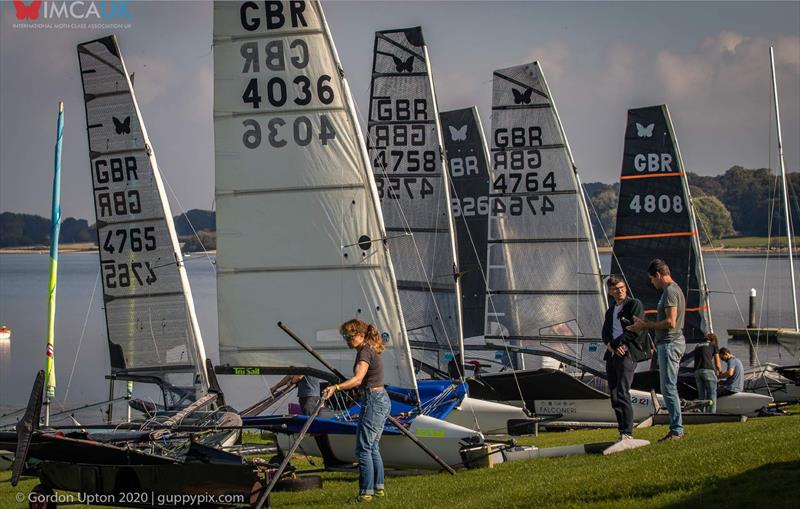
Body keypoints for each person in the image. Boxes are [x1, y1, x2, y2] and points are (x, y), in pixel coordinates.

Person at [322, 319, 391, 503]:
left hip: (373, 401)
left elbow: (358, 379)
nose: (347, 339)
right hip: (379, 399)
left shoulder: (365, 352)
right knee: (372, 447)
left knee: (363, 449)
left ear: (360, 334)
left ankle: (365, 493)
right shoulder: (368, 348)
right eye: (344, 336)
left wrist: (336, 388)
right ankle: (378, 489)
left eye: (349, 335)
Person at [627, 259, 686, 442]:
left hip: (670, 344)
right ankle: (677, 428)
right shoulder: (675, 289)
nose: (652, 283)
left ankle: (677, 430)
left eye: (652, 279)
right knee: (669, 387)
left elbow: (670, 322)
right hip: (669, 342)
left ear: (658, 275)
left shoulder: (669, 292)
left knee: (668, 388)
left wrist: (645, 325)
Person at [601, 275, 648, 441]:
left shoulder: (634, 304)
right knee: (614, 395)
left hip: (628, 353)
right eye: (615, 289)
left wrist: (618, 344)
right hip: (613, 354)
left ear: (625, 288)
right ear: (610, 291)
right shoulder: (610, 310)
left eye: (621, 287)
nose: (619, 291)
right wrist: (611, 345)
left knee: (622, 392)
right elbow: (605, 333)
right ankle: (622, 432)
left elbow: (635, 329)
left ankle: (628, 433)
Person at [693, 333, 721, 413]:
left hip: (697, 371)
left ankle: (702, 413)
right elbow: (717, 363)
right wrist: (720, 372)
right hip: (708, 370)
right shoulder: (713, 345)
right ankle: (712, 414)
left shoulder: (697, 346)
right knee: (712, 394)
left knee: (701, 395)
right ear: (713, 340)